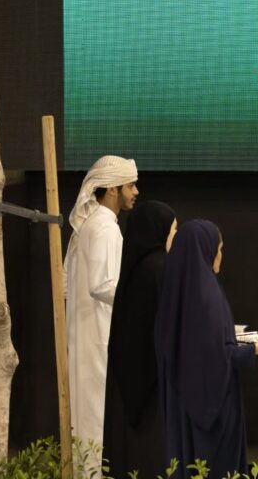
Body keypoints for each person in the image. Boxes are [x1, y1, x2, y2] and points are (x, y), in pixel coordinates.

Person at [155, 220, 258, 479]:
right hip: (211, 410)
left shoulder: (177, 291)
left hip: (182, 405)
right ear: (206, 249)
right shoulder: (206, 295)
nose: (221, 256)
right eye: (220, 249)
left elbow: (193, 346)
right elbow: (214, 357)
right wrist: (257, 349)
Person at [64, 155, 139, 475]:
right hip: (98, 331)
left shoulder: (90, 225)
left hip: (86, 329)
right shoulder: (105, 227)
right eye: (130, 185)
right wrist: (139, 299)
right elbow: (103, 285)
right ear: (112, 189)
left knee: (88, 414)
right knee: (95, 414)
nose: (135, 191)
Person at [103, 200, 177, 478]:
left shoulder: (135, 266)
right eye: (172, 230)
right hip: (152, 387)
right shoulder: (161, 268)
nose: (174, 237)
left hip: (127, 381)